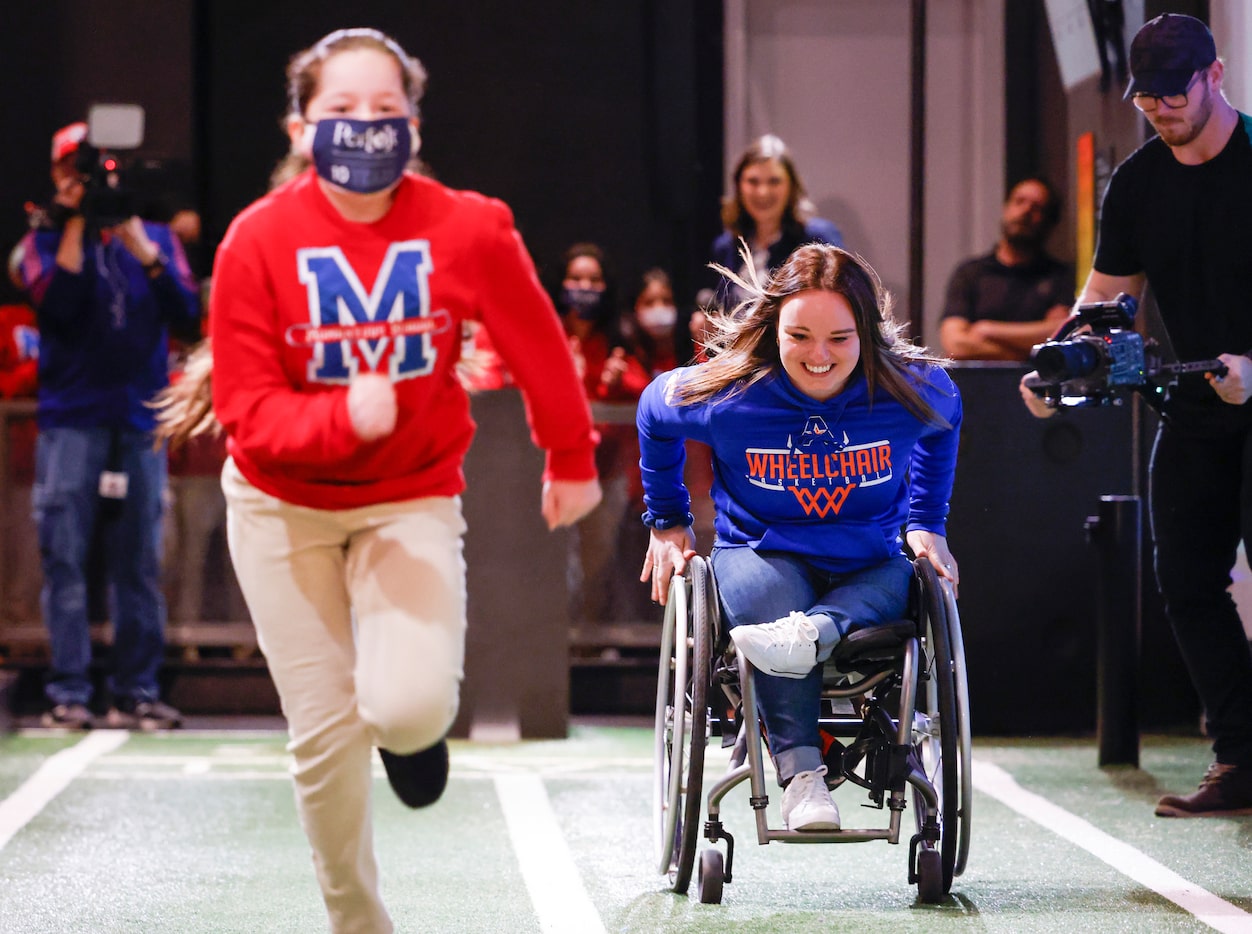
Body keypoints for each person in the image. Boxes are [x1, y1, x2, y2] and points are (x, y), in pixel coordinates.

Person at [157, 28, 601, 932]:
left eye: (385, 112)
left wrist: (572, 455)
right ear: (298, 127)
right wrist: (340, 418)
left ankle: (409, 737)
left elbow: (536, 341)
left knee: (404, 711)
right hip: (280, 510)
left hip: (409, 496)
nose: (366, 128)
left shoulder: (468, 227)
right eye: (342, 111)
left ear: (414, 122)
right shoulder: (255, 241)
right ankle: (358, 923)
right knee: (323, 740)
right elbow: (246, 413)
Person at [639, 242, 961, 831]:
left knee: (895, 583)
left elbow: (948, 420)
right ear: (774, 330)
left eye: (839, 338)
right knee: (769, 605)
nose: (820, 355)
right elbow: (652, 412)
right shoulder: (727, 395)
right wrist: (666, 519)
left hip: (868, 562)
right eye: (801, 336)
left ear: (866, 333)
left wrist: (927, 522)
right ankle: (803, 776)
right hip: (763, 553)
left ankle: (814, 633)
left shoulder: (909, 392)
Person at [1020, 13, 1252, 818]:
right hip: (1192, 406)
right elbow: (1106, 297)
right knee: (1186, 580)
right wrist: (1055, 359)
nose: (1159, 108)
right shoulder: (1142, 182)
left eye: (1173, 92)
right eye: (1146, 97)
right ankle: (1243, 756)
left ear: (1214, 75)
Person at [10, 120, 199, 731]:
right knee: (63, 555)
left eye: (92, 171)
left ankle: (137, 690)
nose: (84, 181)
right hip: (72, 420)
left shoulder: (159, 239)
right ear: (58, 177)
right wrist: (75, 222)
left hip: (140, 417)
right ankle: (69, 691)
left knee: (138, 559)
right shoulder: (41, 243)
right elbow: (57, 307)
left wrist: (135, 241)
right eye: (72, 171)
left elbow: (188, 313)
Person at [554, 242, 649, 629]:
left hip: (604, 474)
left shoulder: (619, 336)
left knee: (596, 570)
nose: (585, 287)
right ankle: (550, 652)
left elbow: (646, 390)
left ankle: (589, 651)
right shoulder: (548, 332)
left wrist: (616, 381)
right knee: (553, 571)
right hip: (552, 476)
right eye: (576, 278)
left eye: (593, 280)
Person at [939, 177, 1075, 361]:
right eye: (1019, 201)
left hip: (1036, 387)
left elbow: (1061, 332)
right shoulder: (971, 273)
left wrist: (986, 329)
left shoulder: (1060, 276)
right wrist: (1029, 352)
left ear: (1049, 220)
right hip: (975, 386)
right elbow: (956, 344)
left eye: (1036, 208)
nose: (1026, 211)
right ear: (1006, 208)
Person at [708, 134, 845, 306]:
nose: (763, 192)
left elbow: (840, 302)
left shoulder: (818, 239)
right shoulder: (726, 247)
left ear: (791, 186)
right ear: (738, 186)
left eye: (774, 181)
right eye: (753, 181)